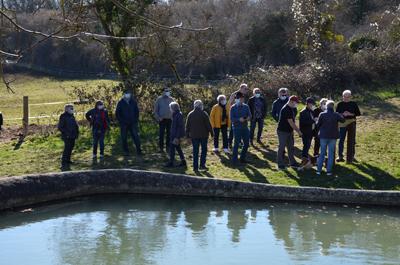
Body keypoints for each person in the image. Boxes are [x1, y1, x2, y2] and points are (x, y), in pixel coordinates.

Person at [316, 100, 345, 175]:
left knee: (322, 153)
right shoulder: (336, 114)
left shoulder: (322, 114)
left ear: (326, 106)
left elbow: (318, 125)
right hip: (333, 136)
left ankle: (318, 170)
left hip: (323, 136)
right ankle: (329, 171)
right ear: (333, 107)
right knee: (331, 154)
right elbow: (343, 120)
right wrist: (341, 115)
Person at [186, 100, 214, 171]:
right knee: (203, 150)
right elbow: (208, 124)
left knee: (195, 151)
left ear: (194, 105)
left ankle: (195, 167)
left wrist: (187, 136)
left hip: (194, 135)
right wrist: (212, 133)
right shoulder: (204, 113)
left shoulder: (190, 114)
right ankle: (202, 165)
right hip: (203, 135)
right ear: (201, 105)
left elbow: (187, 126)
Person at [276, 95, 301, 170]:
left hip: (289, 131)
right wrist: (299, 131)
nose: (296, 104)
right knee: (282, 147)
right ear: (291, 101)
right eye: (296, 102)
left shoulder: (292, 108)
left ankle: (292, 163)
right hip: (282, 131)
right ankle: (280, 164)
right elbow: (291, 122)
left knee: (290, 147)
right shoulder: (286, 109)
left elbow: (293, 120)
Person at [336, 90, 361, 163]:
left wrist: (350, 114)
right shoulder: (340, 104)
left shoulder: (353, 104)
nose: (346, 98)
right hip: (342, 123)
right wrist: (342, 114)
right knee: (341, 140)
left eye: (348, 97)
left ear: (350, 97)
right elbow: (337, 114)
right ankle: (340, 156)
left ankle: (351, 156)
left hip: (351, 123)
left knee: (352, 140)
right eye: (344, 97)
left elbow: (358, 113)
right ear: (342, 97)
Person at [115, 90, 142, 156]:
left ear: (130, 94)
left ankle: (139, 150)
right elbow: (117, 113)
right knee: (124, 137)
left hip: (133, 123)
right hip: (124, 124)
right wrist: (121, 121)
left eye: (128, 93)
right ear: (124, 94)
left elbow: (137, 111)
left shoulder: (133, 102)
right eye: (126, 93)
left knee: (136, 136)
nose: (127, 95)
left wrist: (136, 120)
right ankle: (126, 151)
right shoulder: (120, 103)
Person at [230, 92, 251, 165]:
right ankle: (234, 160)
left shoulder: (246, 106)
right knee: (236, 144)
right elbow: (232, 119)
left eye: (242, 98)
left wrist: (248, 118)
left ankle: (242, 158)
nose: (241, 100)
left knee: (246, 143)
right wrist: (239, 119)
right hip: (236, 128)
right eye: (239, 99)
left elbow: (249, 116)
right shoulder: (233, 107)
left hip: (245, 127)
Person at [165, 102, 186, 168]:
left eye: (170, 108)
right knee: (178, 148)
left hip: (176, 136)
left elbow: (180, 126)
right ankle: (183, 161)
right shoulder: (175, 114)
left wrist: (177, 137)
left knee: (172, 149)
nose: (170, 109)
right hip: (174, 135)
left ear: (173, 108)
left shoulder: (178, 115)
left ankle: (171, 162)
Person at [228, 83, 249, 148]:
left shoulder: (244, 95)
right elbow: (230, 103)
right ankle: (230, 143)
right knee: (232, 129)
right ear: (241, 88)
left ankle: (240, 142)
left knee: (242, 127)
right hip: (235, 113)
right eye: (245, 89)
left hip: (242, 114)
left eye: (247, 89)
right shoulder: (234, 94)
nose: (246, 90)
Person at [154, 87, 174, 153]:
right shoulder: (159, 99)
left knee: (169, 134)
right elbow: (155, 110)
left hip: (170, 119)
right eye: (166, 91)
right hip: (161, 119)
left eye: (168, 91)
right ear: (163, 92)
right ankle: (161, 148)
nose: (167, 92)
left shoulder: (172, 99)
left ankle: (168, 147)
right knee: (161, 134)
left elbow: (174, 109)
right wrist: (158, 118)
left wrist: (173, 117)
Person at [299, 97, 317, 167]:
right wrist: (313, 120)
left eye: (312, 104)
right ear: (307, 104)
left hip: (311, 131)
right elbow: (303, 123)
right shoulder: (303, 112)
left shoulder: (312, 111)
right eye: (311, 104)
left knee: (308, 145)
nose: (312, 105)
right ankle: (304, 160)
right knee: (306, 146)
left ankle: (306, 159)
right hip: (305, 132)